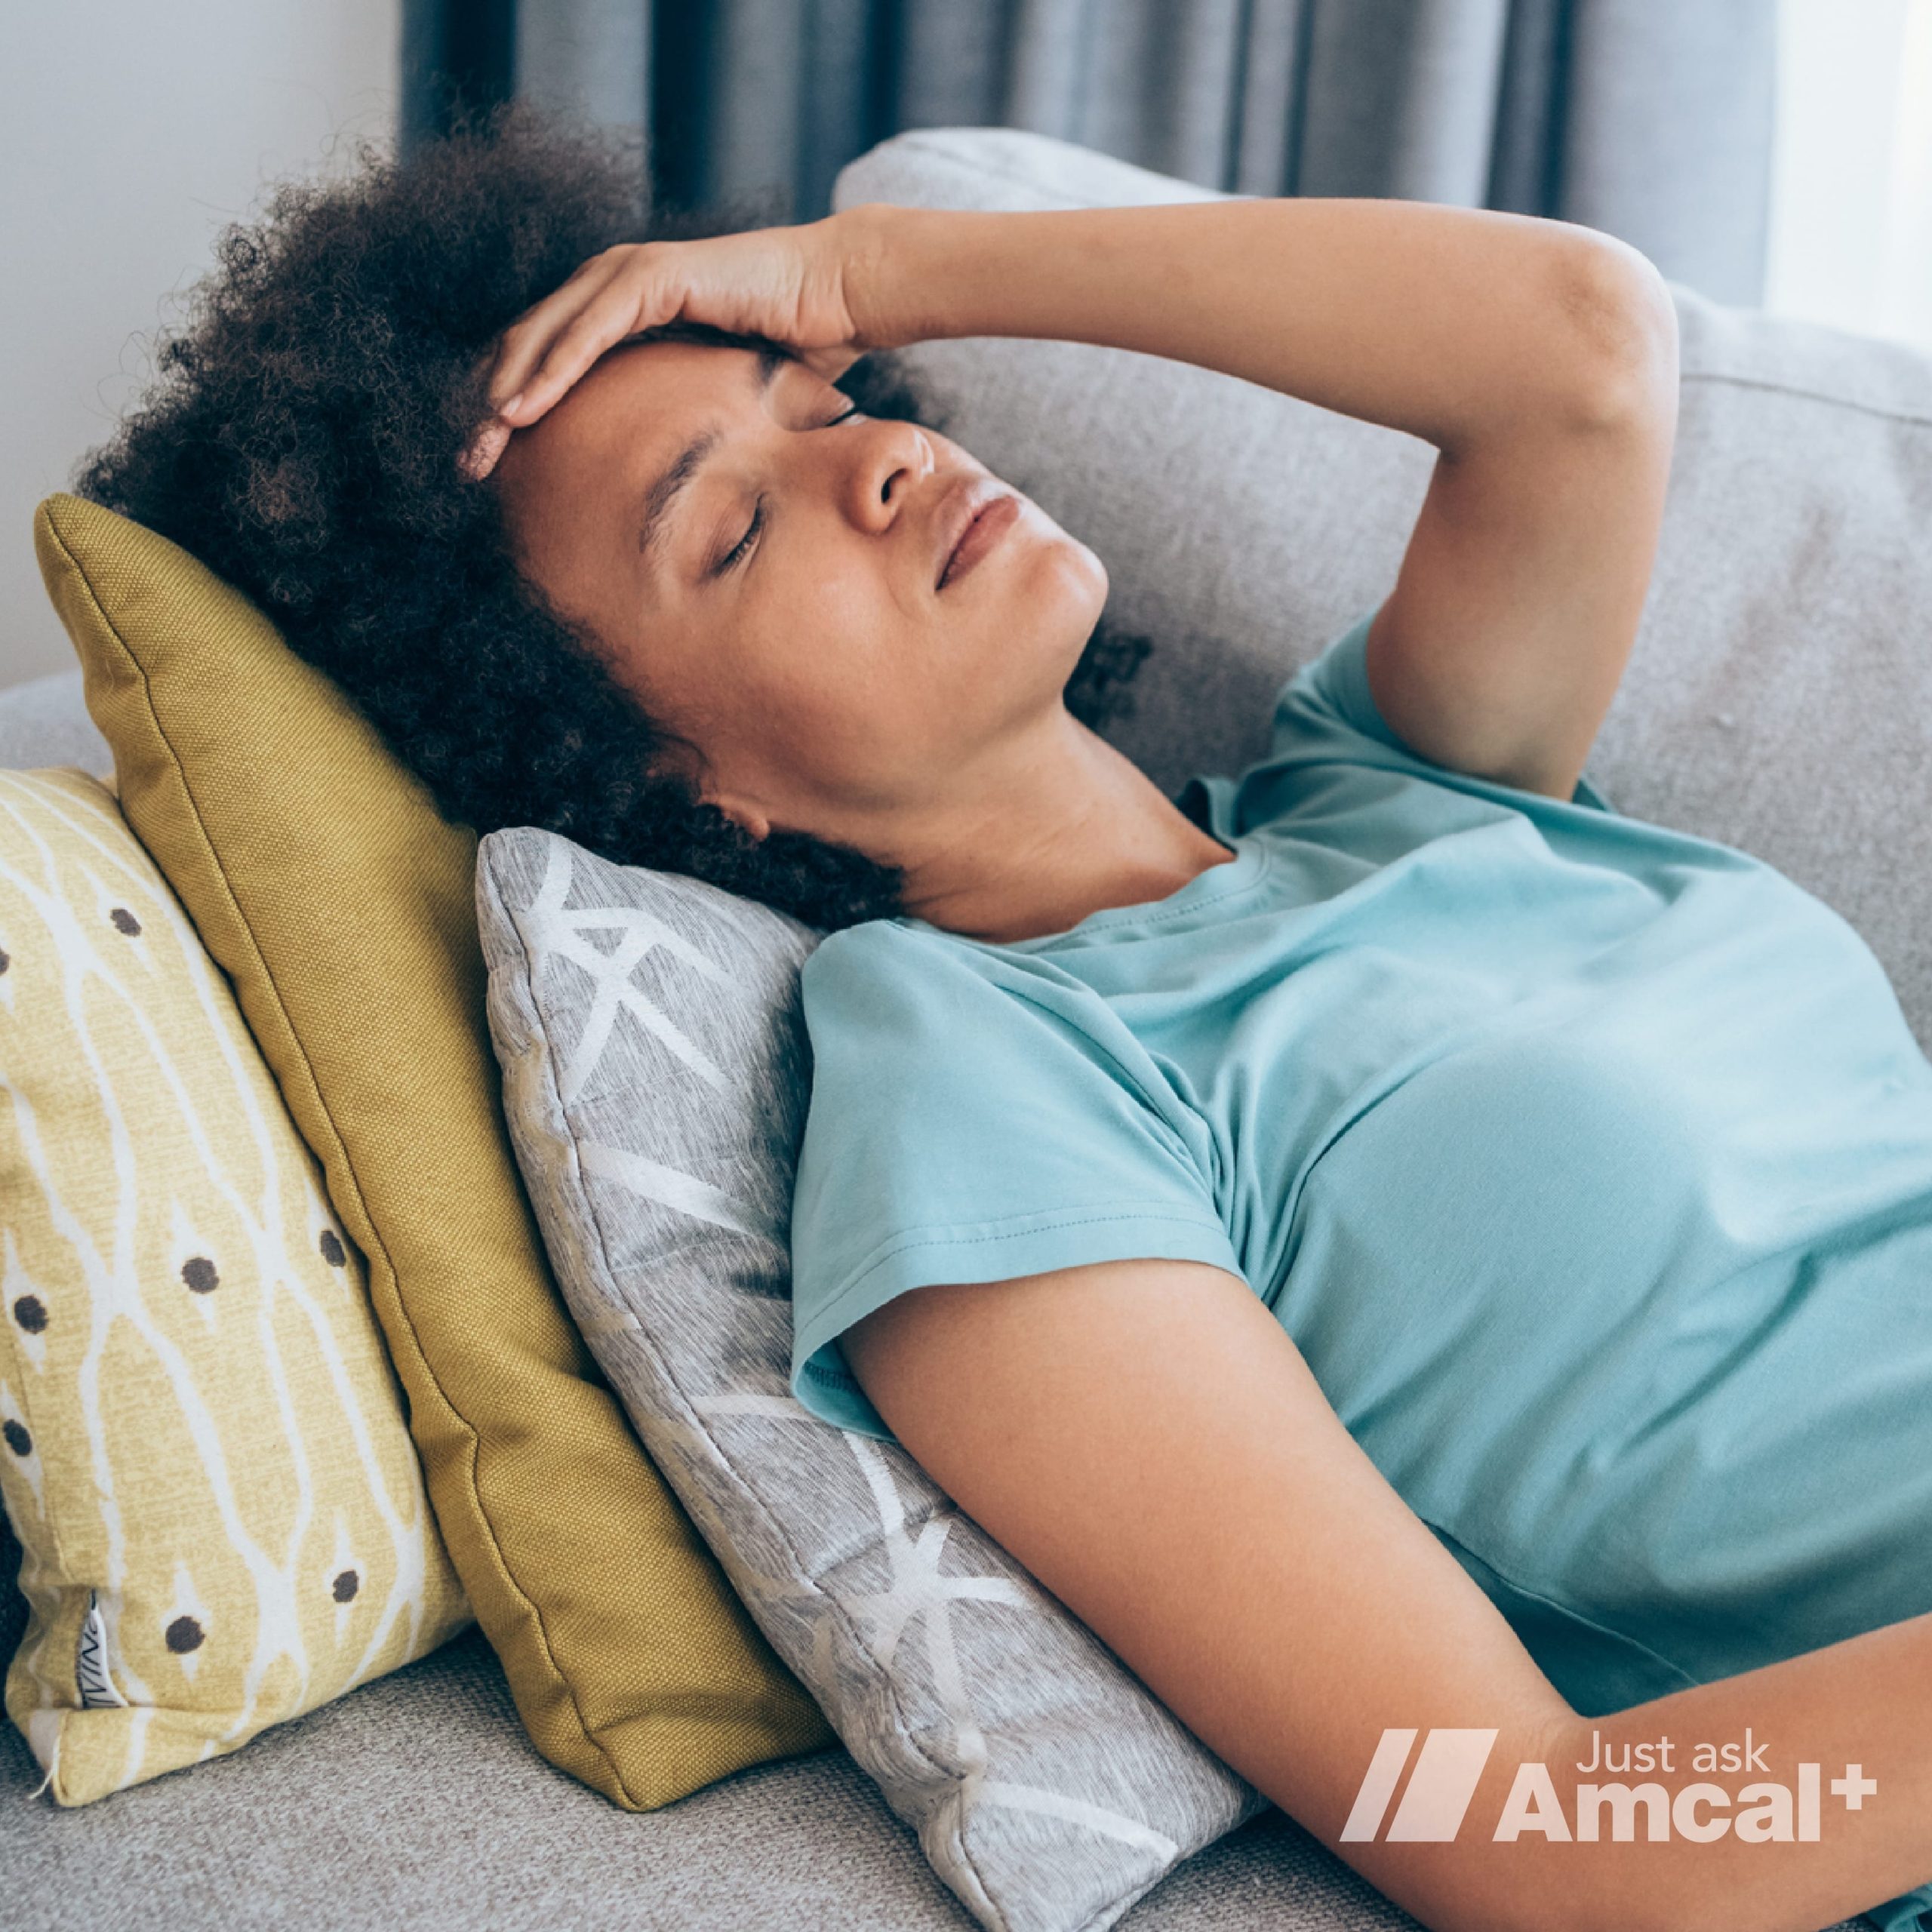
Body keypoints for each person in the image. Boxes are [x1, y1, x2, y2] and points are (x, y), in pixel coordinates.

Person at [83, 109, 1932, 1932]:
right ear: (645, 776)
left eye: (824, 401)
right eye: (727, 529)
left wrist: (867, 263)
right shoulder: (975, 1081)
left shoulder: (1386, 784)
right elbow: (1524, 1833)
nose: (874, 462)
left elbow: (1582, 354)